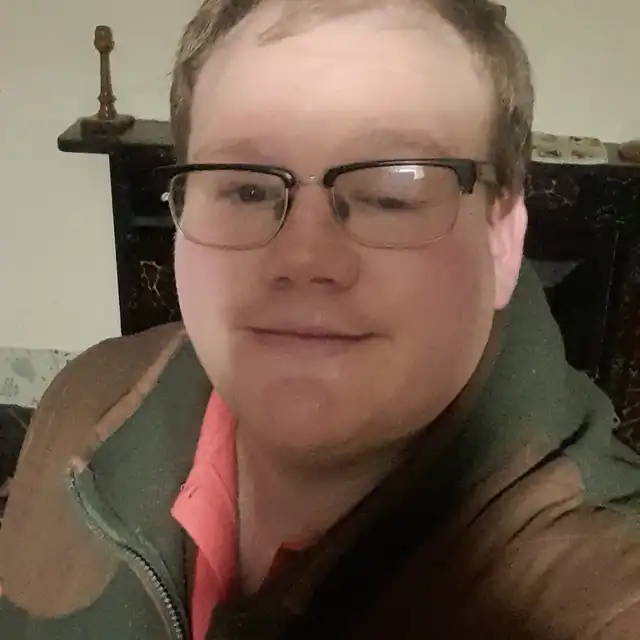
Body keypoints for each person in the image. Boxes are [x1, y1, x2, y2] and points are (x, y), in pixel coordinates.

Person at [2, 0, 640, 638]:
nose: (303, 258)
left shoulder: (599, 602)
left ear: (502, 238)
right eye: (246, 188)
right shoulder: (83, 399)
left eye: (392, 193)